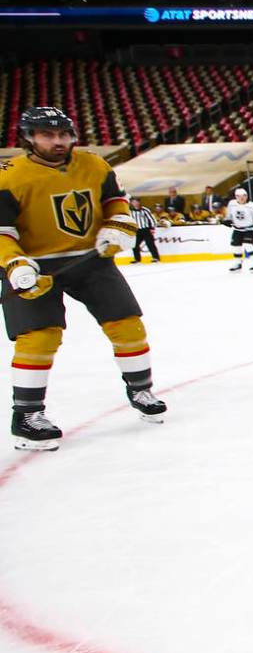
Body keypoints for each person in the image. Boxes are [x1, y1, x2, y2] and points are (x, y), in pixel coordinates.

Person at [0, 106, 166, 451]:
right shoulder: (8, 176)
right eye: (47, 135)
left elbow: (115, 201)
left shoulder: (94, 164)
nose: (57, 141)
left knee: (127, 325)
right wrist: (15, 264)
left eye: (63, 134)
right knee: (39, 338)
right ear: (29, 139)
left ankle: (140, 388)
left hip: (91, 260)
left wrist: (118, 224)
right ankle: (27, 415)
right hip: (35, 264)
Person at [224, 187, 253, 273]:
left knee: (248, 245)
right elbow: (229, 215)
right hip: (237, 229)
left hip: (249, 228)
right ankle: (238, 263)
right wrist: (227, 220)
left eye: (244, 196)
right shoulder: (232, 204)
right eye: (239, 196)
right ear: (236, 197)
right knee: (235, 246)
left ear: (247, 196)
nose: (241, 198)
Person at [128, 197, 161, 264]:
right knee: (134, 245)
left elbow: (151, 219)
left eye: (136, 202)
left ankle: (156, 258)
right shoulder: (130, 211)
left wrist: (152, 228)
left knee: (150, 244)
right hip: (137, 230)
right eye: (133, 202)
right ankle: (137, 259)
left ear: (139, 202)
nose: (134, 203)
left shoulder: (145, 210)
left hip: (146, 229)